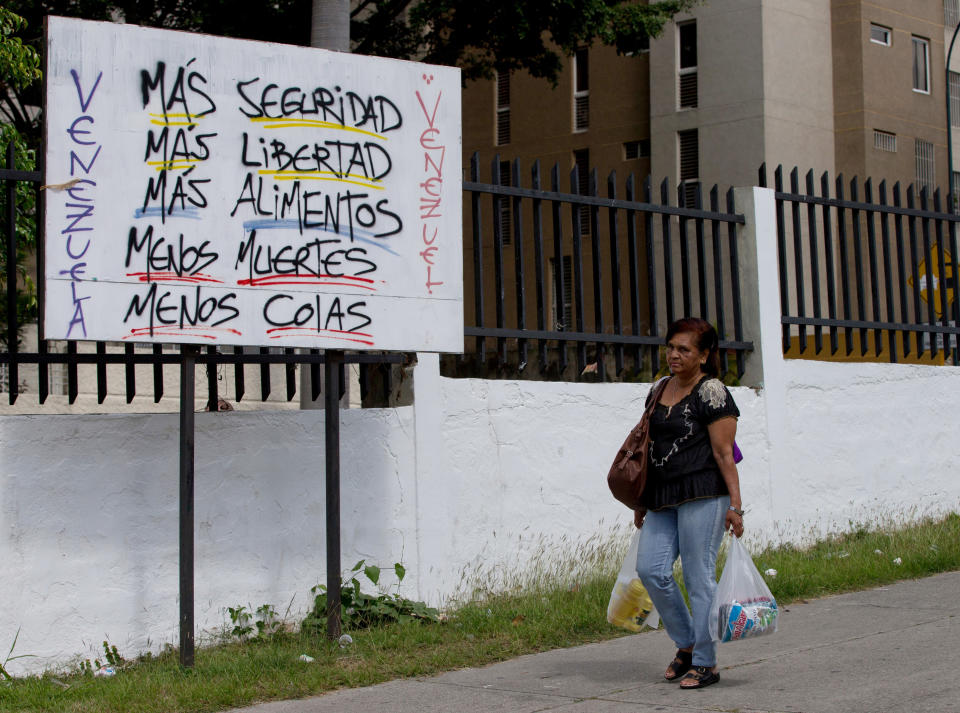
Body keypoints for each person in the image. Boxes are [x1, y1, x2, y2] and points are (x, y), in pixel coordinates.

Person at [634, 317, 743, 689]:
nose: (674, 355)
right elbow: (647, 445)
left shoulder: (712, 392)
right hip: (662, 496)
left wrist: (736, 507)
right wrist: (640, 499)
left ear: (704, 355)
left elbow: (724, 453)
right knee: (651, 570)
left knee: (699, 578)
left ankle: (706, 662)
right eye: (671, 347)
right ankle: (688, 643)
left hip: (704, 492)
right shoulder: (658, 389)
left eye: (684, 349)